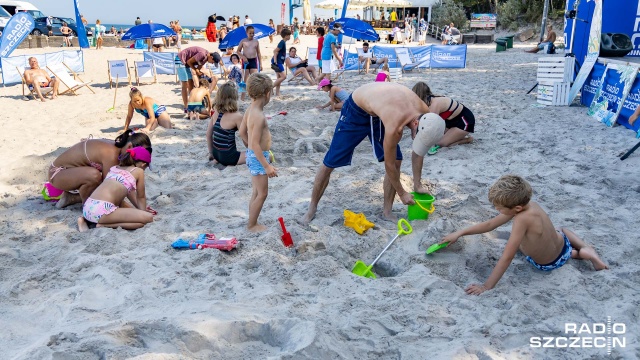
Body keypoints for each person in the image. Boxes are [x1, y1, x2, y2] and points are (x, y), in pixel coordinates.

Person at [440, 175, 608, 295]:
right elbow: (490, 224)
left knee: (520, 245)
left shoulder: (521, 220)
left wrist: (486, 286)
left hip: (547, 263)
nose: (497, 211)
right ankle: (584, 249)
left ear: (516, 208)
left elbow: (507, 256)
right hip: (563, 245)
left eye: (499, 208)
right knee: (562, 230)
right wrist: (460, 232)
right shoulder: (531, 204)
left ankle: (579, 254)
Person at [301, 83, 443, 224]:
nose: (414, 138)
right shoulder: (395, 125)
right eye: (416, 135)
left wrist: (417, 184)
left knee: (398, 160)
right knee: (330, 162)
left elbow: (418, 153)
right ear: (416, 124)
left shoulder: (428, 116)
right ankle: (312, 207)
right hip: (356, 109)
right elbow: (389, 164)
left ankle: (387, 212)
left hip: (379, 112)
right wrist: (402, 193)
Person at [49, 130, 152, 208]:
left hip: (71, 173)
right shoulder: (111, 154)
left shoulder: (119, 150)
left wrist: (140, 207)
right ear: (129, 146)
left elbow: (124, 182)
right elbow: (112, 188)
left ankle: (72, 198)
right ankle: (89, 207)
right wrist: (133, 210)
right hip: (58, 174)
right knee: (94, 176)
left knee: (97, 178)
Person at [78, 146, 154, 232]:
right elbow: (141, 197)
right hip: (102, 210)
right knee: (148, 218)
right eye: (146, 167)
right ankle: (101, 225)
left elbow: (129, 193)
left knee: (139, 224)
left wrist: (138, 211)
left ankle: (86, 221)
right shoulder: (138, 171)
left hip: (88, 207)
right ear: (143, 164)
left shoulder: (115, 168)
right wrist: (142, 213)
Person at [238, 73, 277, 232]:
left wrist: (251, 150)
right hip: (258, 157)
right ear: (267, 93)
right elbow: (255, 143)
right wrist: (266, 165)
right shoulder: (259, 116)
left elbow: (241, 132)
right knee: (262, 193)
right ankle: (252, 225)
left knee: (256, 191)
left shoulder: (250, 108)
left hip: (254, 155)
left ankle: (252, 220)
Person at [412, 81, 474, 155]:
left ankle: (467, 139)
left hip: (464, 121)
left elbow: (429, 125)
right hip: (451, 122)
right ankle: (457, 135)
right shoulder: (430, 101)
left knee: (441, 143)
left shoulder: (434, 104)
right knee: (436, 139)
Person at [207, 82, 247, 168]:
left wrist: (211, 153)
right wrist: (253, 151)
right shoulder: (237, 116)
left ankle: (216, 160)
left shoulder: (216, 113)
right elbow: (245, 138)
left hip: (216, 154)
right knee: (266, 156)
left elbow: (208, 134)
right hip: (229, 158)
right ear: (234, 98)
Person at [176, 47, 216, 114]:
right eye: (213, 62)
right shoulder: (203, 54)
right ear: (211, 57)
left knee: (191, 82)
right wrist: (195, 70)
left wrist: (198, 71)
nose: (212, 63)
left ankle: (192, 102)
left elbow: (198, 68)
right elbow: (189, 62)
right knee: (185, 84)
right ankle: (186, 107)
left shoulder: (206, 58)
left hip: (186, 63)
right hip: (180, 60)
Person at [237, 25, 263, 100]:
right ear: (247, 33)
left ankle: (256, 95)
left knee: (255, 78)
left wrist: (260, 64)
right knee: (244, 80)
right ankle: (242, 97)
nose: (251, 35)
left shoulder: (256, 41)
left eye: (253, 33)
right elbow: (238, 51)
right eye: (250, 33)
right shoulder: (243, 41)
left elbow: (258, 53)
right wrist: (243, 57)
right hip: (245, 61)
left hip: (253, 60)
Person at [272, 28, 292, 96]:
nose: (290, 36)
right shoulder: (282, 42)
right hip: (278, 62)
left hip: (279, 61)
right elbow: (275, 51)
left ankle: (277, 93)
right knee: (283, 77)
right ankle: (270, 88)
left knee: (279, 78)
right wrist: (275, 62)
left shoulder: (283, 42)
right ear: (286, 35)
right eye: (289, 35)